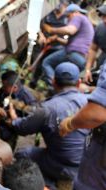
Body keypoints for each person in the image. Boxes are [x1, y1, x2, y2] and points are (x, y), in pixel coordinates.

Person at [6, 62, 90, 189]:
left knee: (22, 153)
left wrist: (13, 119)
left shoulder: (47, 108)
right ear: (78, 83)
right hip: (86, 163)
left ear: (53, 81)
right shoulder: (90, 103)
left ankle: (47, 184)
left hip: (60, 164)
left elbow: (22, 129)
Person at [59, 4, 106, 190]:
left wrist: (69, 123)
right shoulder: (99, 31)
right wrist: (88, 69)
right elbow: (93, 48)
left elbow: (96, 113)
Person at [42, 4, 94, 89]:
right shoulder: (87, 23)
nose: (68, 19)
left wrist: (51, 30)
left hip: (72, 54)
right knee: (69, 80)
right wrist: (57, 39)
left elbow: (70, 30)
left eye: (68, 16)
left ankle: (54, 88)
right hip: (80, 58)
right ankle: (65, 93)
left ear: (75, 12)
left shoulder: (78, 17)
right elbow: (69, 42)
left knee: (47, 63)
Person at [29, 0, 69, 88]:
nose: (60, 7)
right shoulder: (48, 13)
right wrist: (41, 35)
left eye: (63, 5)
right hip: (44, 42)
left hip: (58, 45)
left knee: (49, 64)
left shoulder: (67, 18)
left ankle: (51, 85)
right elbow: (38, 23)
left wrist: (56, 37)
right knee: (38, 63)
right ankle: (33, 82)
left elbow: (67, 33)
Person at [0, 70, 37, 147]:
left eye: (5, 86)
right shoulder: (4, 90)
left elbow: (33, 118)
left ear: (14, 87)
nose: (3, 88)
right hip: (1, 120)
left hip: (13, 127)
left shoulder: (27, 98)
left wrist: (14, 117)